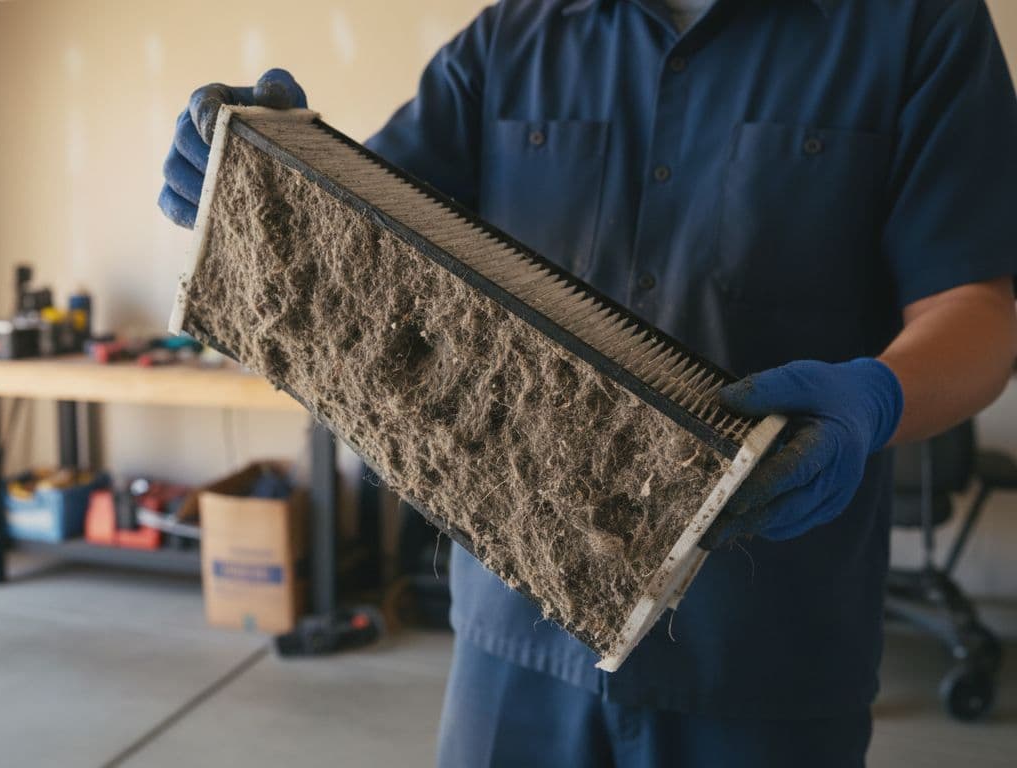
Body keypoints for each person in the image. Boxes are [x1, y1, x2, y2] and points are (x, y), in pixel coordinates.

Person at [158, 1, 1017, 765]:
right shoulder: (513, 37)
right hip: (517, 634)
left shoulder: (918, 26)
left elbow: (978, 308)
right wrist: (257, 174)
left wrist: (879, 396)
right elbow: (358, 236)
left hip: (763, 647)